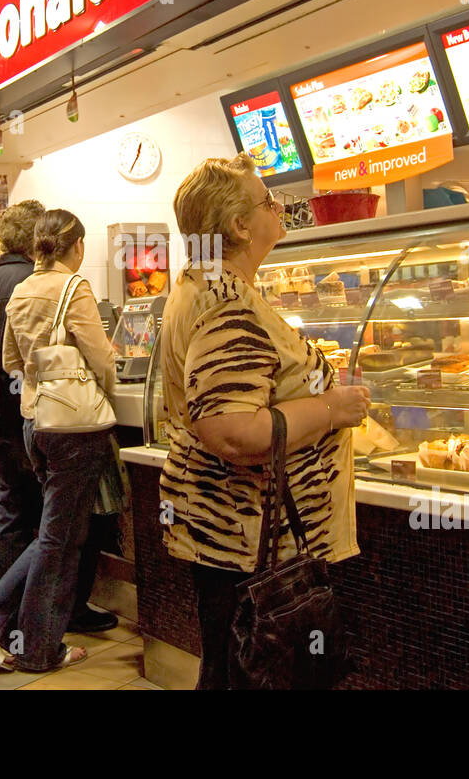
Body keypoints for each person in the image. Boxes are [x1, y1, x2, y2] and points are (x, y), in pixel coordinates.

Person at [158, 155, 370, 689]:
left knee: (229, 668)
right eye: (267, 202)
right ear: (239, 225)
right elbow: (232, 429)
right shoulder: (227, 301)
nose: (278, 209)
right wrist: (331, 409)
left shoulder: (197, 282)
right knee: (252, 671)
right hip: (248, 534)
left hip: (225, 531)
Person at [0, 209, 116, 672]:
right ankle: (32, 643)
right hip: (75, 427)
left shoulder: (22, 290)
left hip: (34, 422)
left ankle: (5, 621)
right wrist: (100, 381)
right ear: (77, 246)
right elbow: (102, 358)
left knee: (52, 532)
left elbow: (10, 359)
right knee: (60, 538)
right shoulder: (74, 288)